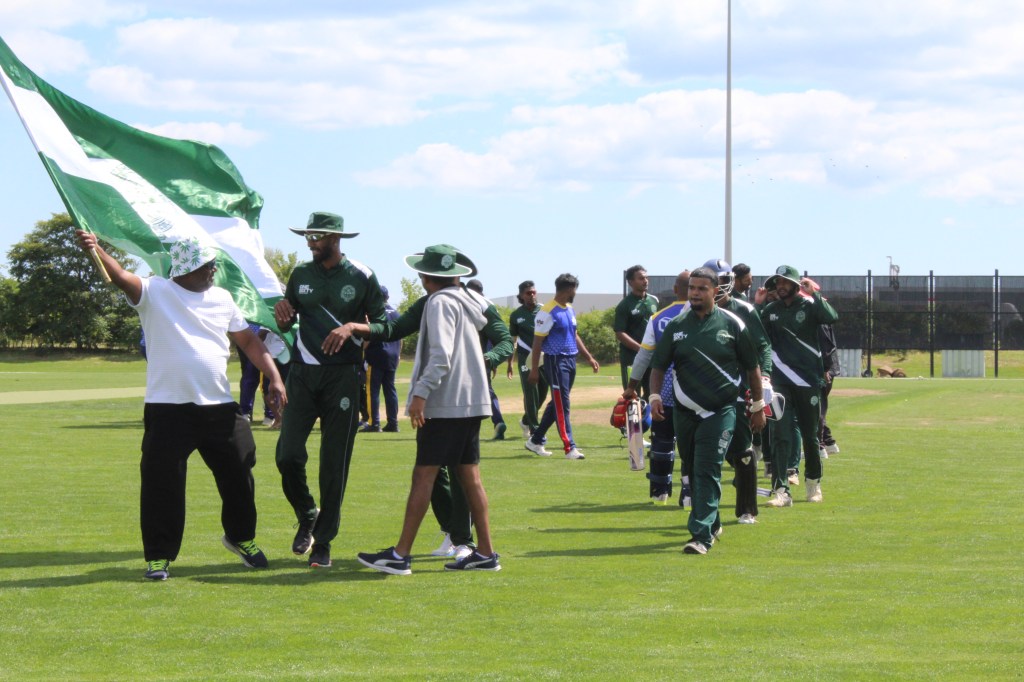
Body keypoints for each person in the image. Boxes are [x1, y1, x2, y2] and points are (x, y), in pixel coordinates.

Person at [76, 230, 286, 581]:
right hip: (168, 409)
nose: (214, 270)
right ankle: (159, 557)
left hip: (219, 407)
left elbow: (249, 342)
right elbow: (121, 276)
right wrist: (96, 248)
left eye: (214, 264)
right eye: (208, 265)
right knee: (162, 484)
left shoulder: (222, 298)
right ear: (187, 268)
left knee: (239, 471)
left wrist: (275, 377)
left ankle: (241, 538)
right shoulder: (155, 291)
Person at [336, 248, 512, 560]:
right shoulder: (467, 300)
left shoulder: (439, 302)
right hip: (472, 401)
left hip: (446, 402)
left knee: (424, 475)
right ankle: (485, 553)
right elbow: (395, 329)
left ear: (425, 276)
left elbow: (442, 356)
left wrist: (420, 393)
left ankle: (401, 555)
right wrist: (358, 326)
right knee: (469, 477)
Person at [273, 212, 388, 569]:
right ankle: (307, 513)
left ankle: (323, 541)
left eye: (317, 236)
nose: (310, 242)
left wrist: (353, 327)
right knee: (287, 455)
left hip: (343, 377)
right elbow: (288, 321)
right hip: (302, 375)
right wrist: (282, 318)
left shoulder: (362, 275)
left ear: (336, 239)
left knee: (333, 463)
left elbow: (383, 325)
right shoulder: (300, 274)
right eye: (308, 236)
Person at [649, 266, 765, 555]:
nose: (696, 293)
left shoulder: (733, 324)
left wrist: (757, 406)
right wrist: (654, 396)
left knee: (706, 469)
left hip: (721, 411)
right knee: (691, 468)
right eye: (692, 288)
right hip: (684, 413)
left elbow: (752, 368)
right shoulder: (677, 325)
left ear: (715, 291)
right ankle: (713, 523)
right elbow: (658, 365)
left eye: (702, 288)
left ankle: (700, 536)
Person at [757, 265, 839, 507]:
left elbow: (831, 317)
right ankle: (781, 491)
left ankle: (813, 483)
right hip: (780, 382)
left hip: (808, 381)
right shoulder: (771, 310)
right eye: (777, 283)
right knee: (779, 434)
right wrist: (759, 305)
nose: (780, 287)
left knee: (810, 436)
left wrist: (814, 293)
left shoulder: (810, 306)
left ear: (795, 285)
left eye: (785, 282)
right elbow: (755, 334)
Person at [704, 259, 772, 525]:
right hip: (705, 392)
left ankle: (747, 508)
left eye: (721, 280)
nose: (717, 285)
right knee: (703, 452)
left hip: (738, 389)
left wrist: (764, 376)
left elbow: (763, 345)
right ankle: (702, 508)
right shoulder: (694, 312)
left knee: (743, 448)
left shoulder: (744, 310)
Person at [623, 270, 690, 504]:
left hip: (662, 391)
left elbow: (643, 356)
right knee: (691, 445)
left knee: (662, 440)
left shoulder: (659, 317)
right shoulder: (704, 315)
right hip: (694, 393)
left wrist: (631, 386)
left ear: (675, 290)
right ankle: (689, 493)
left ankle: (659, 491)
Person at [525, 273, 600, 459]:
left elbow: (574, 335)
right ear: (569, 289)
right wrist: (534, 370)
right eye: (575, 290)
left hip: (570, 360)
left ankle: (535, 440)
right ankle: (569, 447)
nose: (575, 293)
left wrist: (589, 357)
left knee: (557, 402)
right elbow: (537, 342)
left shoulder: (569, 309)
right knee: (563, 404)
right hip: (555, 361)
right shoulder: (547, 311)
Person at [506, 280, 549, 441]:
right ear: (521, 296)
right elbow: (513, 341)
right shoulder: (516, 315)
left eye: (533, 292)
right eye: (528, 293)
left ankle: (525, 421)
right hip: (525, 357)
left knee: (543, 392)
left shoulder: (545, 310)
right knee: (531, 392)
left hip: (543, 356)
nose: (532, 295)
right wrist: (510, 362)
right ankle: (535, 429)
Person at [466, 278, 506, 440]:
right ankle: (498, 421)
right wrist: (493, 360)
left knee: (472, 390)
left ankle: (471, 428)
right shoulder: (489, 305)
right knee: (487, 389)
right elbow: (497, 336)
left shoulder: (468, 304)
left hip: (472, 356)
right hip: (488, 355)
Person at [361, 285, 401, 433]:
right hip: (392, 356)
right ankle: (393, 423)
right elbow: (401, 336)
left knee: (373, 391)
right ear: (387, 297)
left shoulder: (374, 314)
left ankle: (374, 423)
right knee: (390, 390)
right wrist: (398, 355)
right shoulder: (396, 313)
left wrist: (361, 351)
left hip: (377, 355)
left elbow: (369, 336)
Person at [613, 265, 658, 397]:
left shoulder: (654, 300)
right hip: (630, 358)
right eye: (641, 278)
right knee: (632, 396)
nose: (645, 281)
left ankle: (648, 412)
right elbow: (620, 333)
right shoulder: (624, 305)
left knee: (652, 394)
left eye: (646, 278)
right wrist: (641, 349)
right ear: (630, 282)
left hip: (651, 358)